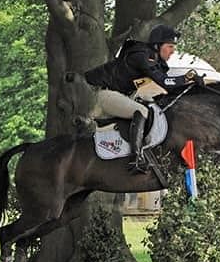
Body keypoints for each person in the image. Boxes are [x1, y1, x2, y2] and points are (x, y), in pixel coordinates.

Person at [85, 24, 205, 165]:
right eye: (170, 46)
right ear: (157, 45)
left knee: (152, 107)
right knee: (141, 111)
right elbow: (165, 82)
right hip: (104, 95)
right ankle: (136, 157)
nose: (173, 51)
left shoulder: (156, 61)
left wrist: (191, 86)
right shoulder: (141, 56)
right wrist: (187, 77)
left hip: (121, 96)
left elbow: (168, 88)